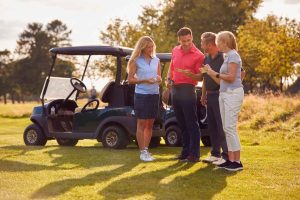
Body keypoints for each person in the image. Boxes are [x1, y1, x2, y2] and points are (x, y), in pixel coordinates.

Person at [203, 31, 244, 171]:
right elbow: (220, 80)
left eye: (218, 41)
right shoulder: (227, 56)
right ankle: (230, 160)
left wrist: (215, 73)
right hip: (224, 93)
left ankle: (237, 161)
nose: (216, 44)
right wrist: (210, 72)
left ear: (225, 42)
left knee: (230, 128)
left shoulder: (233, 55)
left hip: (233, 94)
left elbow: (232, 77)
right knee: (226, 128)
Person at [167, 27, 205, 162]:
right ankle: (185, 152)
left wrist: (192, 75)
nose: (187, 43)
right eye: (184, 41)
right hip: (175, 89)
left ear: (192, 37)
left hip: (188, 89)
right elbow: (172, 68)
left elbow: (200, 77)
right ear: (179, 40)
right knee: (181, 123)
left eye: (188, 40)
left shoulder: (199, 55)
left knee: (191, 123)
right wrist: (168, 79)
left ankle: (194, 154)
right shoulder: (175, 50)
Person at [127, 36, 162, 162]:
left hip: (154, 94)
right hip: (141, 95)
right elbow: (130, 80)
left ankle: (146, 150)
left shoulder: (156, 60)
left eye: (152, 46)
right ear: (142, 47)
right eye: (148, 47)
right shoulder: (135, 60)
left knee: (150, 124)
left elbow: (159, 77)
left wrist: (159, 79)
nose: (151, 49)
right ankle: (142, 152)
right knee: (141, 124)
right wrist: (144, 80)